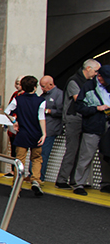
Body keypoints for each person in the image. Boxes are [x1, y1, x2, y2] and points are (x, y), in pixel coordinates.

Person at [56, 59, 101, 189]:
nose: (97, 74)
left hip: (85, 118)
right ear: (88, 69)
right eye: (96, 70)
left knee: (82, 151)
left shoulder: (88, 82)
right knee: (72, 150)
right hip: (74, 118)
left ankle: (75, 180)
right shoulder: (74, 81)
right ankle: (62, 179)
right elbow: (79, 100)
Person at [4, 76, 46, 197]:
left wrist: (14, 121)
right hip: (36, 133)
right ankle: (35, 180)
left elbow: (7, 111)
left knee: (20, 160)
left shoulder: (18, 99)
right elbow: (41, 118)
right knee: (37, 158)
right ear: (35, 87)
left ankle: (16, 186)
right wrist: (44, 133)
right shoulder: (40, 101)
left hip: (22, 133)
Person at [72, 65, 110, 196]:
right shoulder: (88, 87)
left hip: (107, 124)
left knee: (106, 155)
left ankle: (106, 183)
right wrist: (96, 108)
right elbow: (79, 107)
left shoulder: (107, 86)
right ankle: (79, 183)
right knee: (86, 155)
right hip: (93, 124)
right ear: (99, 77)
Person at [39, 75, 64, 181]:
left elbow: (62, 111)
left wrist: (48, 111)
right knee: (38, 153)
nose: (42, 89)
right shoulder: (43, 95)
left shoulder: (59, 94)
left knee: (44, 153)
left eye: (44, 86)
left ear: (51, 84)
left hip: (51, 128)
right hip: (41, 127)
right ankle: (34, 174)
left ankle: (40, 176)